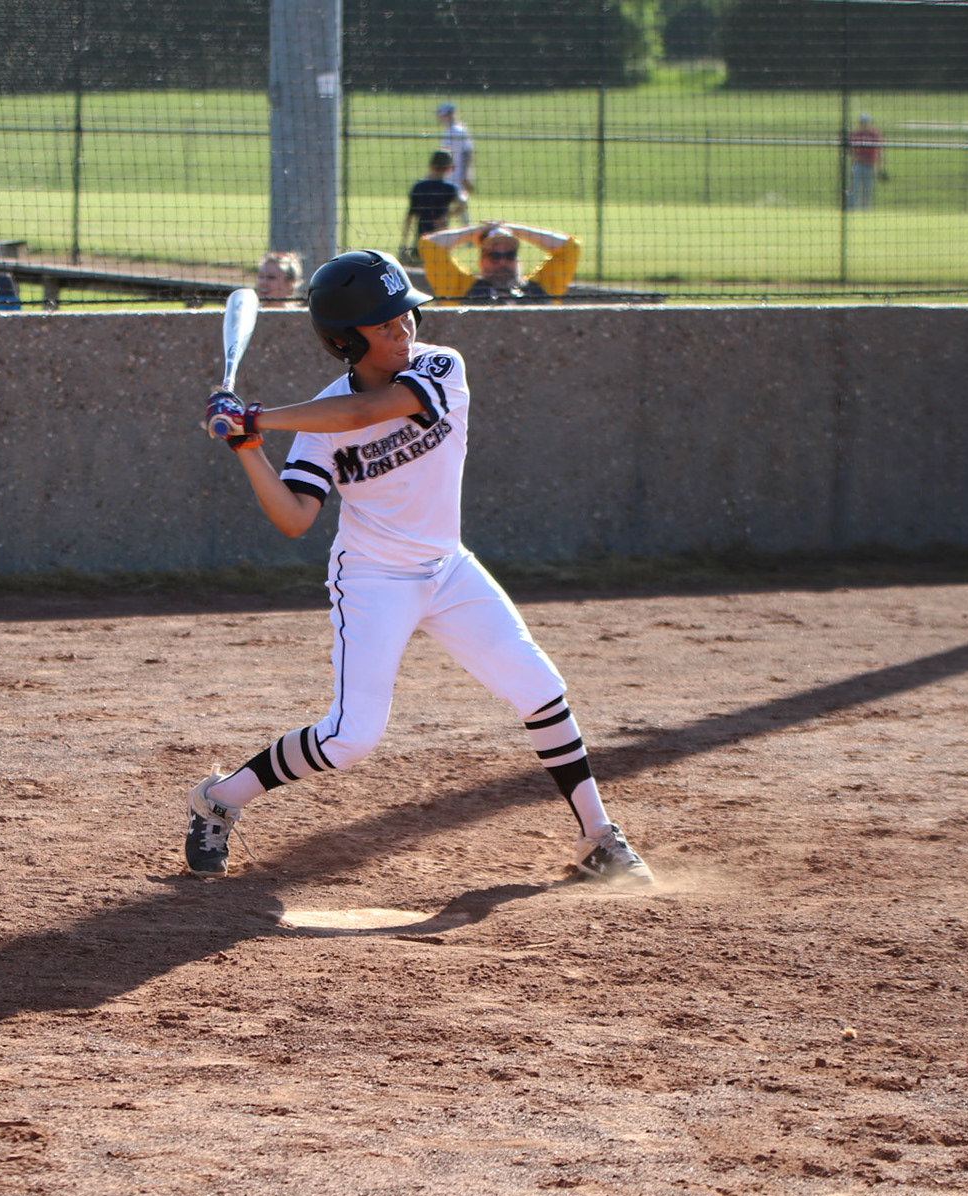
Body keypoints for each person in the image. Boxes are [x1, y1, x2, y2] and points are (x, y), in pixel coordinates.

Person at [188, 250, 651, 888]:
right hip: (373, 580)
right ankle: (222, 797)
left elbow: (366, 413)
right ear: (347, 340)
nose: (404, 329)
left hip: (449, 568)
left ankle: (599, 836)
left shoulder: (439, 366)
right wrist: (247, 447)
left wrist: (257, 416)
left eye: (406, 314)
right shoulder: (318, 421)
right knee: (351, 740)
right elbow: (295, 516)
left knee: (540, 688)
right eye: (385, 325)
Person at [417, 221, 580, 305]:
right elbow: (431, 246)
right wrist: (478, 231)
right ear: (481, 262)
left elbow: (570, 248)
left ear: (518, 260)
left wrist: (515, 230)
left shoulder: (544, 287)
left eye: (510, 255)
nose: (502, 261)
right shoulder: (459, 288)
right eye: (494, 255)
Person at [399, 150, 466, 258]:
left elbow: (410, 217)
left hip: (421, 240)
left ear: (431, 166)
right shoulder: (450, 187)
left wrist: (403, 244)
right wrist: (446, 216)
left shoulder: (419, 187)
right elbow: (462, 203)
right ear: (449, 168)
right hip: (441, 241)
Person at [436, 103, 476, 198]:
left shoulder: (458, 130)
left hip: (458, 173)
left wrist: (465, 174)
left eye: (443, 115)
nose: (441, 118)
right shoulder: (448, 130)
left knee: (459, 201)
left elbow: (468, 152)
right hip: (450, 172)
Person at [847, 113, 885, 211]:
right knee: (854, 187)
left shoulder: (874, 134)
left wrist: (879, 167)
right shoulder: (855, 134)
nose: (863, 124)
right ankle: (851, 208)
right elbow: (849, 150)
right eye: (862, 122)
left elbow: (879, 151)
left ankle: (865, 209)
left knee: (867, 189)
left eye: (865, 122)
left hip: (869, 165)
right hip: (858, 164)